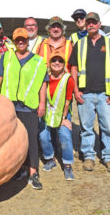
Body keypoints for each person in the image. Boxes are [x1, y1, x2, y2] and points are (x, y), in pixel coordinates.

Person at [0, 28, 48, 190]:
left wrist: (42, 103)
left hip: (29, 107)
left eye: (23, 39)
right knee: (12, 140)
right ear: (14, 41)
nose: (21, 42)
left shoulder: (38, 60)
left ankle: (33, 173)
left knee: (31, 140)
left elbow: (43, 83)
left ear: (28, 40)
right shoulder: (7, 56)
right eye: (17, 39)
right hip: (9, 106)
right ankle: (18, 170)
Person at [69, 12, 110, 173]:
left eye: (94, 22)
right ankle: (89, 156)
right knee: (86, 128)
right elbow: (74, 68)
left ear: (99, 24)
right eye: (88, 22)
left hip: (106, 94)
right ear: (86, 25)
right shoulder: (80, 44)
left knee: (108, 128)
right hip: (85, 93)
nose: (91, 24)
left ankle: (109, 157)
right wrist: (76, 90)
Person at [39, 50, 75, 180]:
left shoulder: (68, 79)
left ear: (64, 63)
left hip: (62, 114)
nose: (57, 63)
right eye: (54, 60)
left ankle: (67, 165)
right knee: (43, 136)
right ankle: (50, 159)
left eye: (60, 60)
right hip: (47, 113)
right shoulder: (44, 78)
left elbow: (67, 102)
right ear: (49, 63)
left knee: (65, 136)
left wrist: (64, 119)